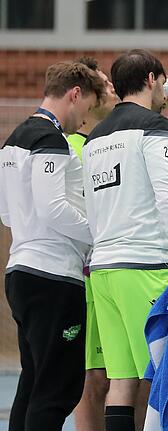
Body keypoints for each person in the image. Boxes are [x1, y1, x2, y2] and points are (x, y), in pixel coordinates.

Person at [82, 49, 168, 431]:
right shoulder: (153, 126)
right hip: (145, 266)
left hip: (103, 271)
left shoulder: (93, 137)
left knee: (122, 379)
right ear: (153, 79)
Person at [0, 61, 104, 430]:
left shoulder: (13, 139)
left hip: (20, 273)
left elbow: (8, 215)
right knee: (57, 390)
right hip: (53, 278)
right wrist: (100, 235)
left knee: (33, 385)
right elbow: (53, 208)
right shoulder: (50, 139)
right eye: (89, 107)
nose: (85, 118)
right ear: (75, 94)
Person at [66, 56, 119, 431]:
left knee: (106, 376)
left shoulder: (103, 144)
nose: (112, 91)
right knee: (91, 379)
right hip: (82, 279)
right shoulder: (70, 147)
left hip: (106, 276)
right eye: (106, 87)